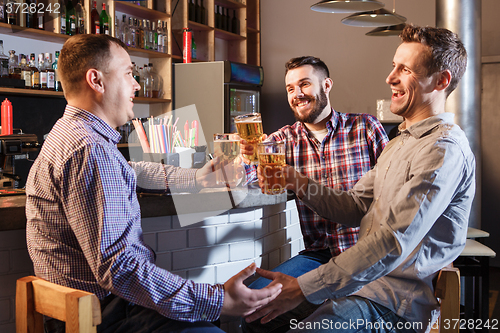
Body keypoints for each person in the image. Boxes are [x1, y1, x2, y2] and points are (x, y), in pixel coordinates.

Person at [25, 34, 282, 333]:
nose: (136, 85)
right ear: (96, 81)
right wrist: (218, 299)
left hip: (88, 310)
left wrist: (198, 178)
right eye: (128, 74)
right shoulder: (90, 150)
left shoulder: (72, 134)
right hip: (105, 317)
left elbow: (132, 170)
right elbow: (119, 270)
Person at [246, 24, 474, 333]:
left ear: (441, 81)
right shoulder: (401, 141)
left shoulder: (443, 150)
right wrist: (294, 179)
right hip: (357, 281)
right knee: (256, 317)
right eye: (394, 66)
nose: (390, 77)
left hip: (392, 300)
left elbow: (392, 241)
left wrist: (303, 288)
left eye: (404, 69)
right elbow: (355, 205)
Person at [241, 56, 388, 331]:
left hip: (368, 252)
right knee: (254, 305)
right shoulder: (282, 140)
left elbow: (396, 189)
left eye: (304, 84)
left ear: (327, 85)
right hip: (319, 255)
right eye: (290, 88)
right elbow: (244, 176)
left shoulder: (366, 128)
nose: (297, 94)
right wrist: (245, 158)